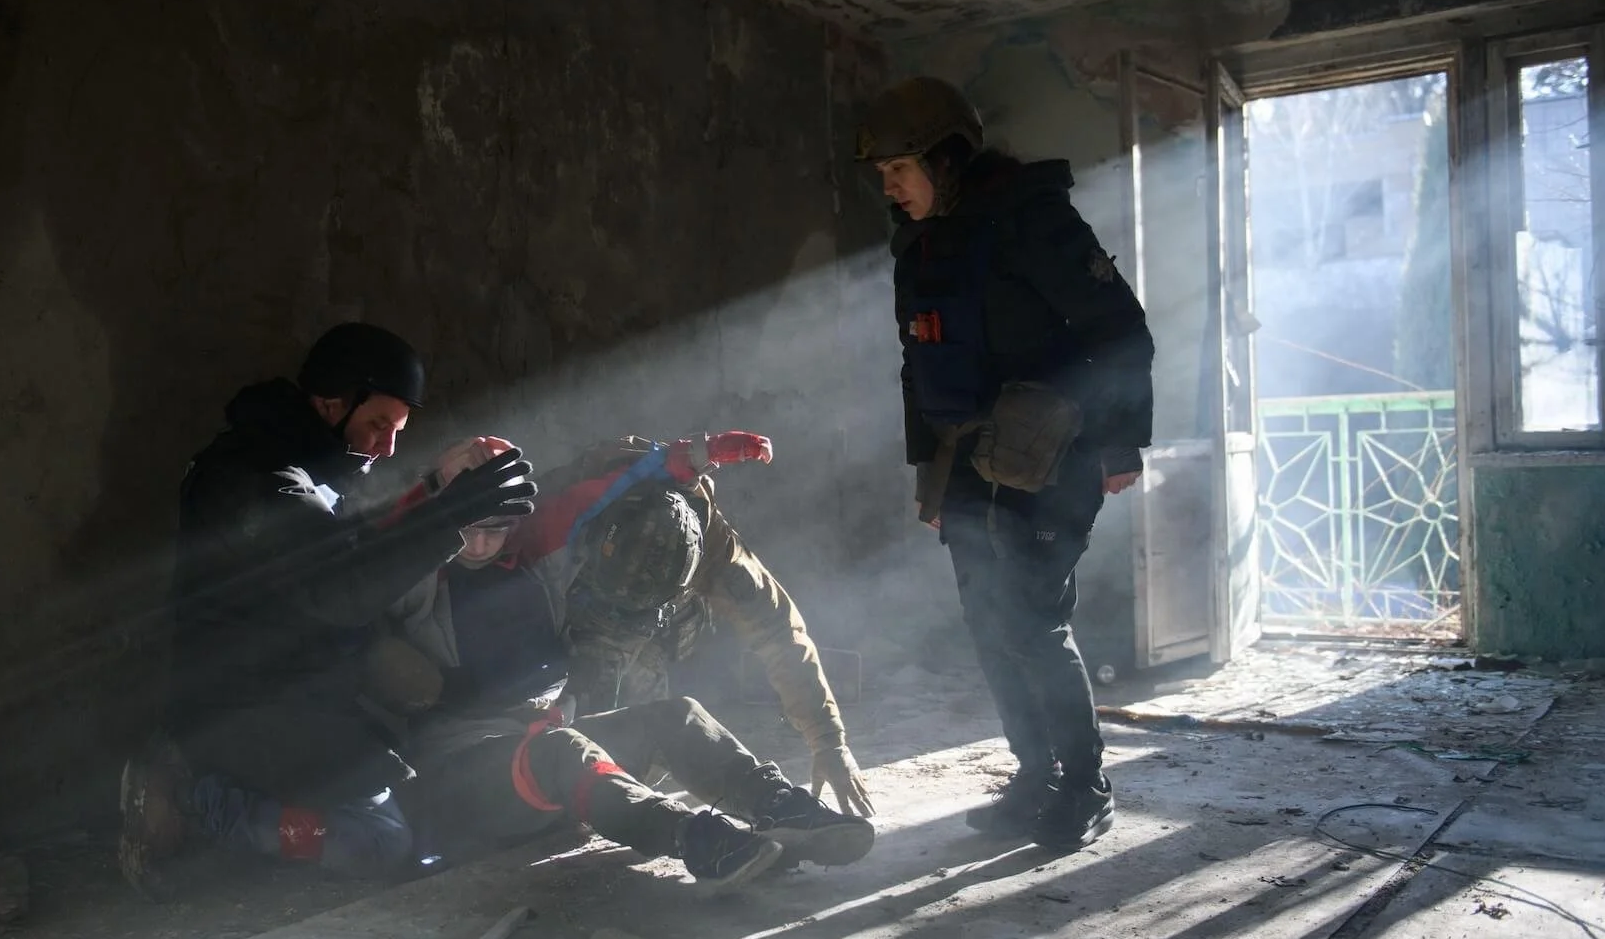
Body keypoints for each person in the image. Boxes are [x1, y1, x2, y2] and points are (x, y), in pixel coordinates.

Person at [118, 323, 538, 893]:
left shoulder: (293, 462)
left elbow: (351, 548)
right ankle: (195, 801)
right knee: (382, 842)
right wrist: (448, 515)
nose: (386, 446)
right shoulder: (255, 480)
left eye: (397, 430)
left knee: (425, 793)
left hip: (293, 692)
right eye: (378, 425)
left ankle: (242, 803)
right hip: (237, 706)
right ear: (332, 402)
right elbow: (341, 588)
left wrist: (439, 490)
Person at [855, 77, 1154, 850]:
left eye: (901, 167)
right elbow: (916, 362)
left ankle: (1085, 786)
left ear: (947, 158)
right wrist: (929, 472)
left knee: (1031, 620)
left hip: (1052, 454)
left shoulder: (1033, 220)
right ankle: (1034, 775)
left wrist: (1122, 441)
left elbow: (1121, 329)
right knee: (990, 624)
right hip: (965, 461)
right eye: (882, 171)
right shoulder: (918, 245)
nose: (889, 186)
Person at [371, 449, 874, 891]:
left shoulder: (539, 566)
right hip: (469, 770)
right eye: (468, 529)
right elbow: (384, 548)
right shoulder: (420, 583)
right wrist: (437, 492)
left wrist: (827, 740)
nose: (479, 545)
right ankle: (693, 837)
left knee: (677, 715)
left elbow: (775, 627)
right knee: (564, 751)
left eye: (495, 530)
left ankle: (779, 807)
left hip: (547, 741)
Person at [507, 432, 875, 818]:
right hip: (564, 623)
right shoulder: (552, 521)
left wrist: (828, 741)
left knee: (634, 759)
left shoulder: (717, 554)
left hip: (650, 639)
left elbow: (780, 633)